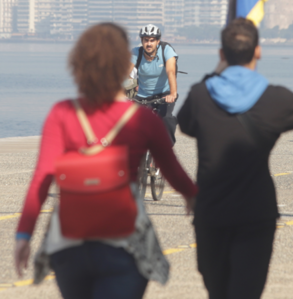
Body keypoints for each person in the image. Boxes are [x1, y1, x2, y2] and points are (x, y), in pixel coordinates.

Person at [14, 23, 197, 299]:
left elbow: (41, 179)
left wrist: (23, 236)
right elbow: (174, 173)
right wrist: (193, 198)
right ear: (123, 65)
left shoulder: (62, 113)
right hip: (125, 243)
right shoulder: (143, 119)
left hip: (69, 242)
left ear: (78, 63)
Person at [177, 18, 293, 299]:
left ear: (222, 54)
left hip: (211, 211)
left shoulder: (201, 95)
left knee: (217, 290)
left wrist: (214, 74)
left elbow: (185, 124)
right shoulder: (274, 99)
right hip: (255, 212)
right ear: (258, 51)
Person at [131, 24, 179, 144]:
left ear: (158, 41)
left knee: (166, 118)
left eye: (152, 40)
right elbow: (124, 72)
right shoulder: (136, 53)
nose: (149, 44)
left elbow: (171, 71)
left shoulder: (166, 49)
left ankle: (167, 148)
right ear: (141, 40)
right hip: (142, 96)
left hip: (165, 94)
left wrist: (173, 94)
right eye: (146, 40)